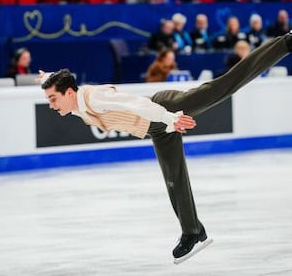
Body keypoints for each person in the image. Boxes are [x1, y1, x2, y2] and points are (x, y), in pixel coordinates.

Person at [37, 31, 292, 263]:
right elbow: (58, 82)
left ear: (69, 92)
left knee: (221, 86)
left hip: (163, 110)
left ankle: (284, 43)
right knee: (174, 177)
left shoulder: (95, 97)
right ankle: (192, 231)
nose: (51, 105)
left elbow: (138, 104)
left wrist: (171, 118)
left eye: (53, 99)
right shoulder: (74, 103)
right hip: (156, 127)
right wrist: (47, 78)